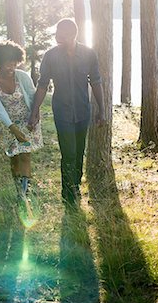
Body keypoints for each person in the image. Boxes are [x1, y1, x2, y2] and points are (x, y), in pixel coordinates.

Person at [28, 18, 105, 207]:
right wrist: (34, 111)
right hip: (62, 112)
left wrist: (101, 110)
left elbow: (96, 82)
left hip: (83, 111)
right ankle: (68, 195)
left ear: (71, 34)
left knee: (79, 153)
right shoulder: (51, 56)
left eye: (59, 32)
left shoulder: (88, 54)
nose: (55, 36)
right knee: (68, 153)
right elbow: (43, 84)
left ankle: (76, 185)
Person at [0, 41, 43, 203]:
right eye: (7, 64)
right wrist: (13, 129)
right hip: (8, 124)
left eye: (14, 63)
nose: (11, 67)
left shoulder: (22, 77)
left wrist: (34, 117)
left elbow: (33, 99)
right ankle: (18, 189)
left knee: (25, 156)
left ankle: (24, 195)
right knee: (14, 157)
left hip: (27, 120)